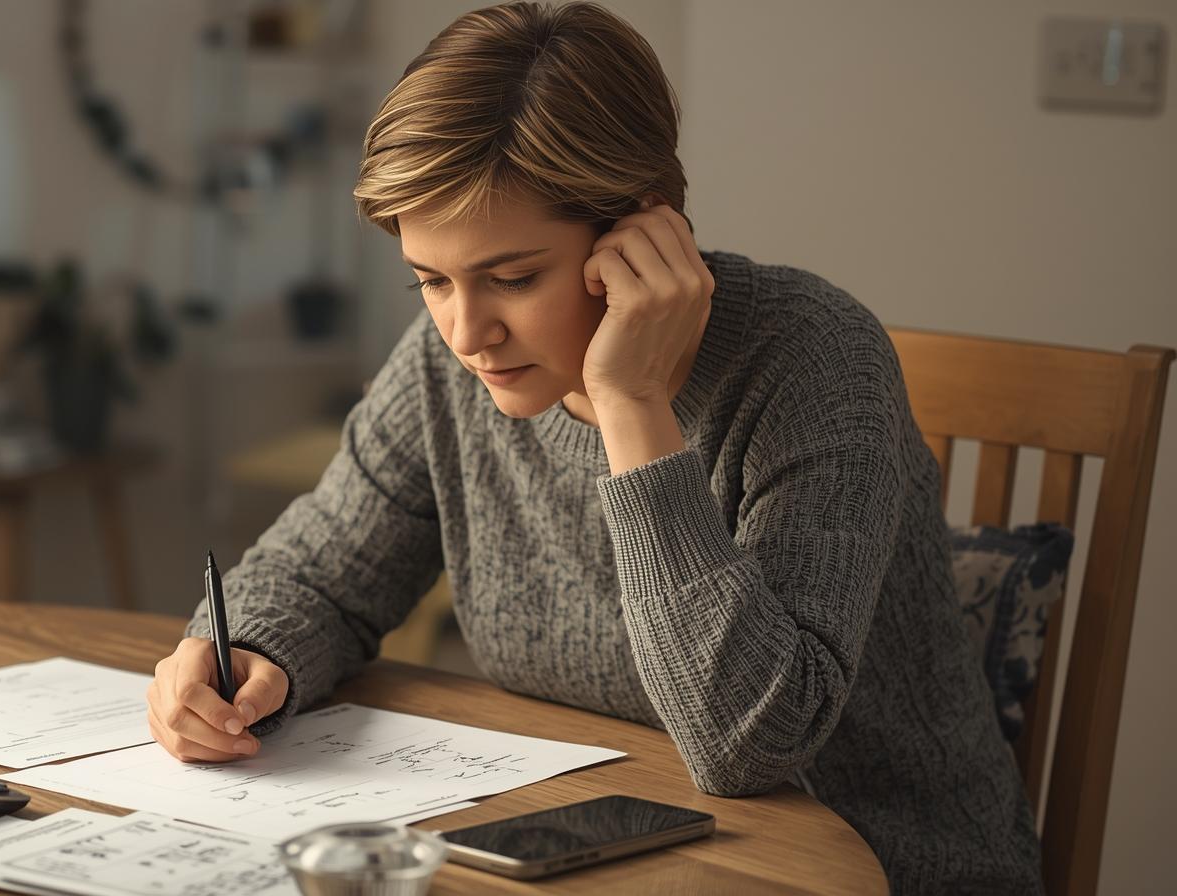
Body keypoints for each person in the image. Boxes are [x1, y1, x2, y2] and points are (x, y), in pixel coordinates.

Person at [145, 2, 1042, 891]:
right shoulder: (447, 361)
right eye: (431, 280)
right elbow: (319, 572)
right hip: (600, 849)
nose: (467, 332)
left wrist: (632, 402)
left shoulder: (814, 359)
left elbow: (750, 742)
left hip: (868, 866)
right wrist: (243, 659)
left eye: (512, 277)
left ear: (640, 230)